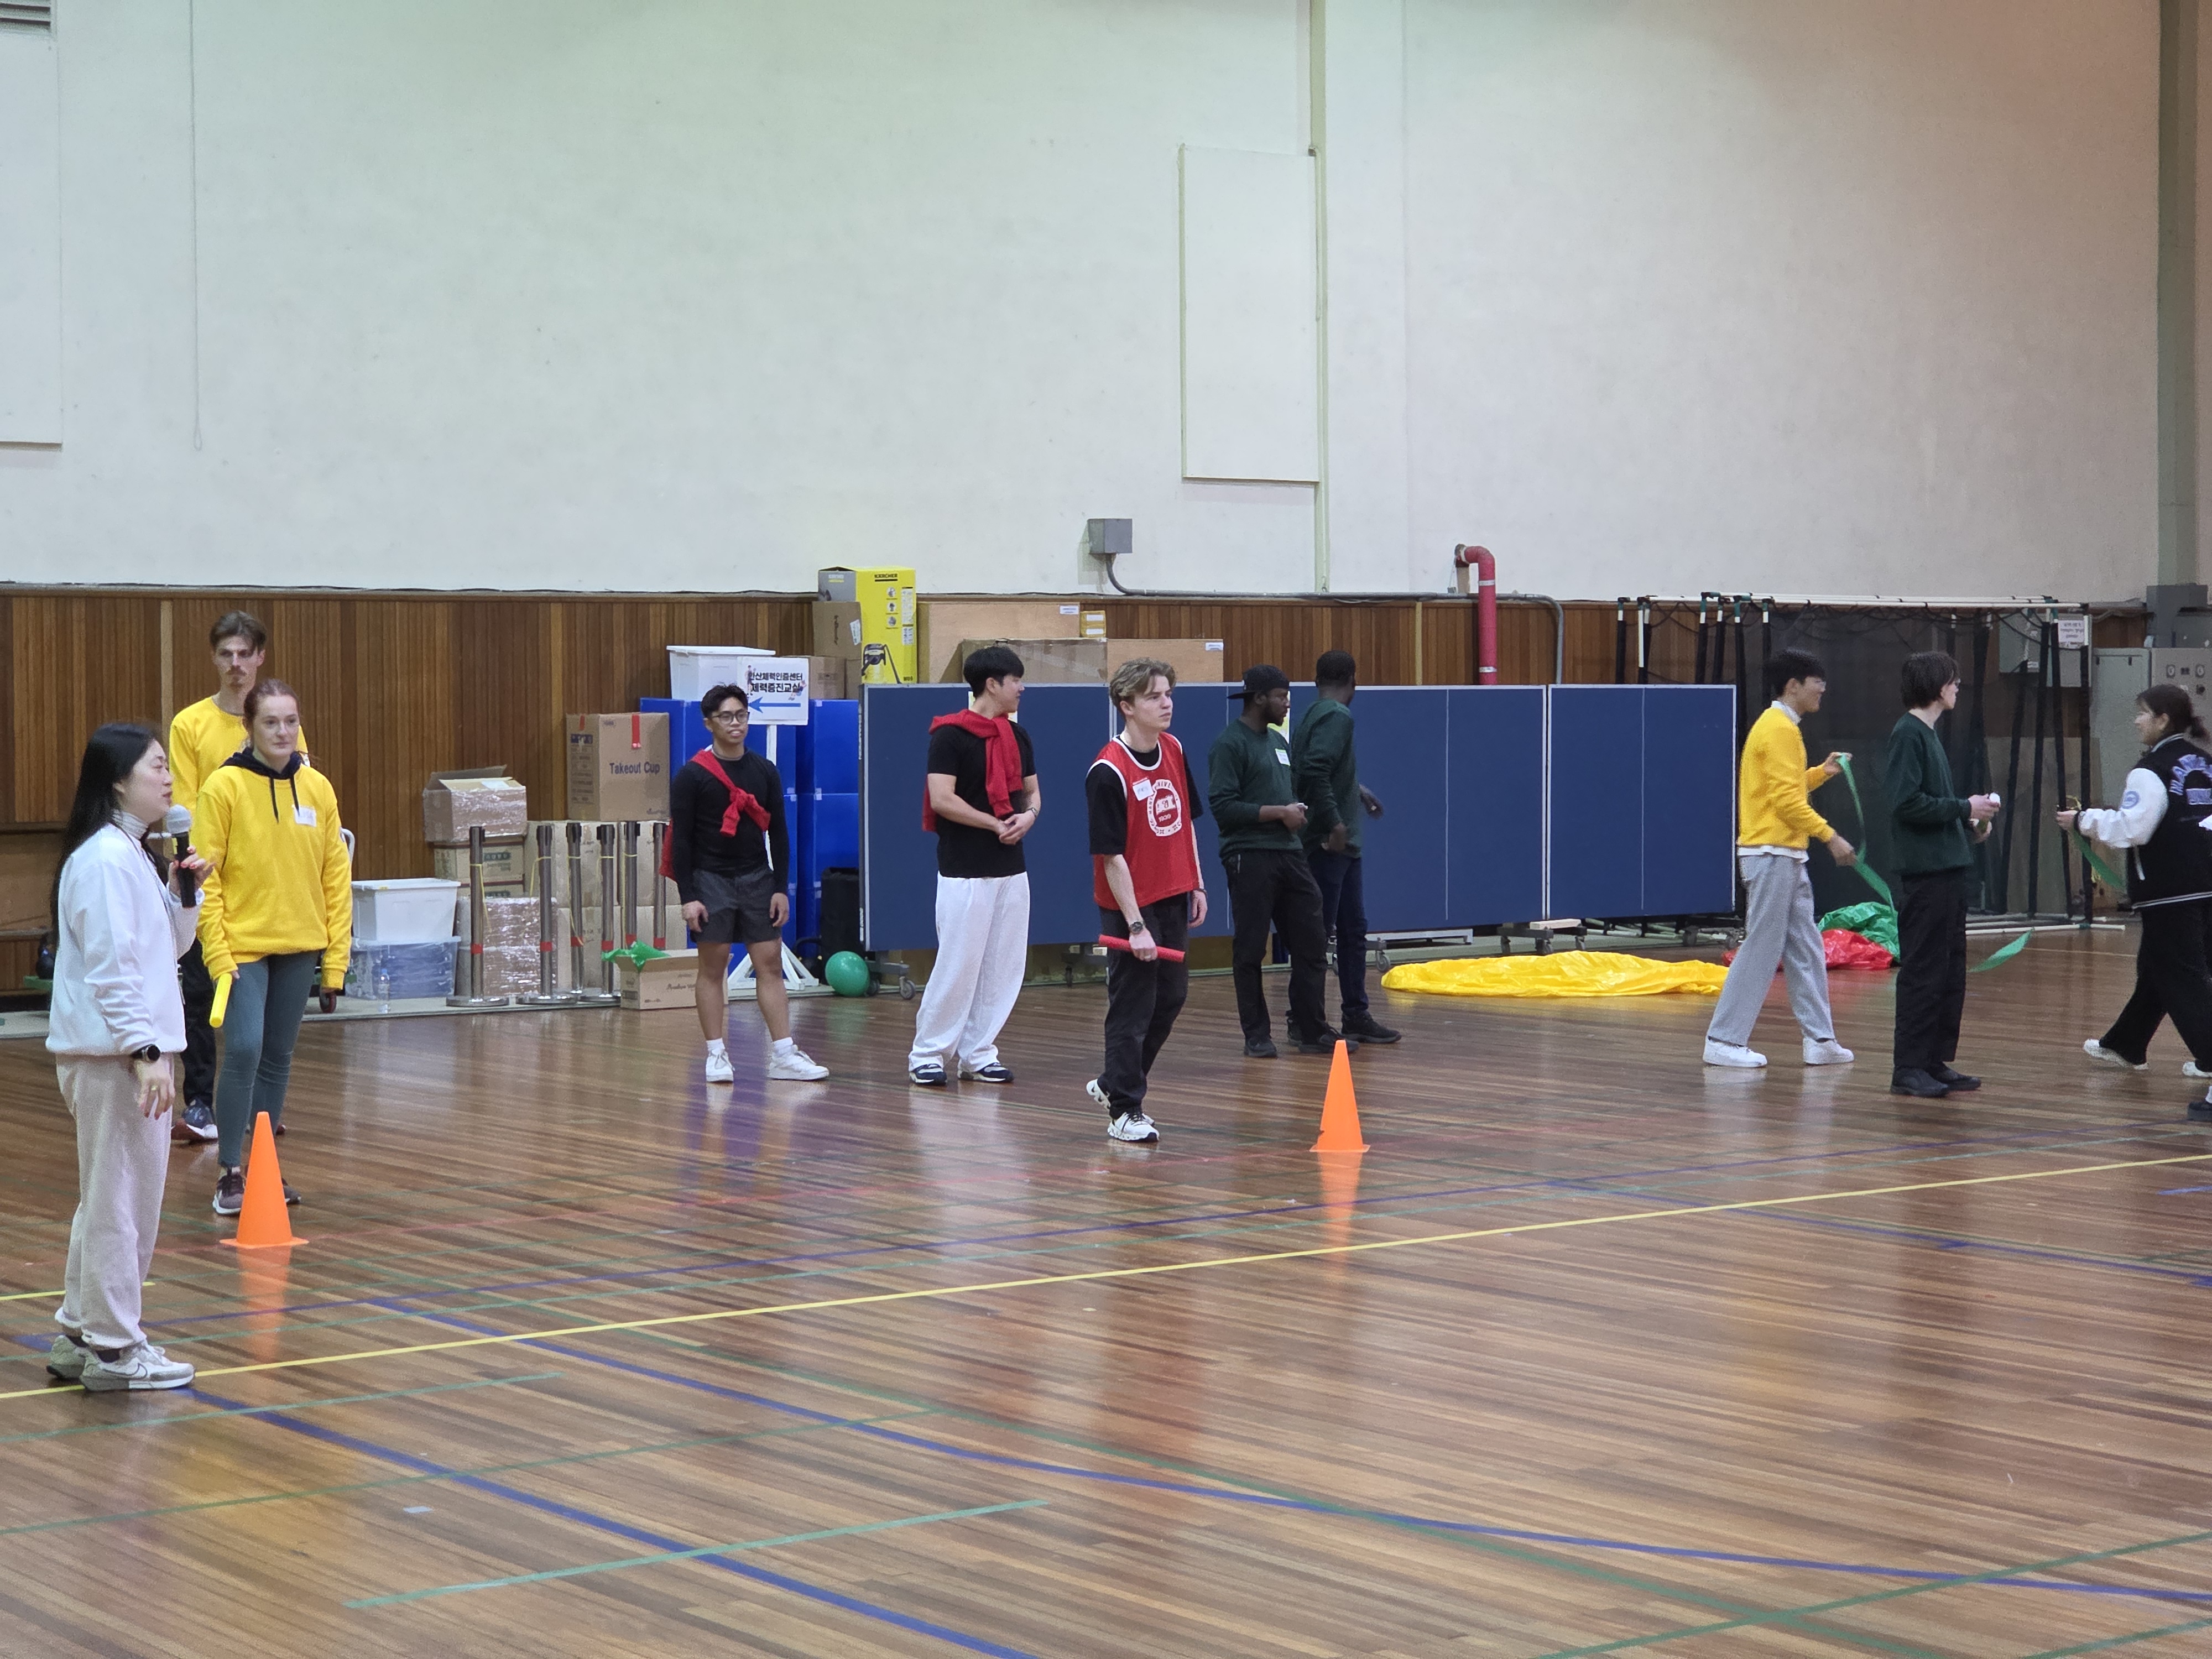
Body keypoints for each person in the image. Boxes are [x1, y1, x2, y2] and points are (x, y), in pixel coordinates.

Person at [45, 724, 205, 1391]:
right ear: (118, 780)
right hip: (115, 1057)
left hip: (115, 1053)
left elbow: (164, 951)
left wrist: (184, 895)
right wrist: (145, 1051)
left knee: (105, 1198)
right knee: (122, 1202)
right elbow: (112, 970)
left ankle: (81, 1332)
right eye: (156, 767)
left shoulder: (127, 853)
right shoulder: (107, 860)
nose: (168, 779)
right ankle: (115, 1349)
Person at [194, 679, 351, 1215]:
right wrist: (217, 953)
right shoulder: (224, 787)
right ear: (249, 727)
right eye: (270, 722)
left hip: (301, 945)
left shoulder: (319, 789)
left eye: (290, 721)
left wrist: (336, 963)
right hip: (242, 947)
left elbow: (336, 879)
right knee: (244, 1049)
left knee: (278, 1057)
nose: (283, 731)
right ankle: (230, 1173)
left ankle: (263, 1166)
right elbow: (206, 879)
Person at [168, 611, 310, 1148]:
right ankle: (201, 1100)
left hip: (267, 883)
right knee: (201, 991)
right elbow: (184, 804)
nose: (235, 664)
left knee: (266, 1029)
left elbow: (297, 791)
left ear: (259, 658)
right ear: (214, 658)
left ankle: (260, 1109)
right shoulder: (191, 725)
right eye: (225, 654)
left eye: (244, 654)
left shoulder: (283, 722)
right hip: (210, 874)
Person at [2060, 682, 2212, 1118]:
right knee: (2159, 970)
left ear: (2163, 720)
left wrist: (2084, 820)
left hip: (2169, 892)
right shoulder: (2205, 762)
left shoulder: (2150, 771)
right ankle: (2126, 1044)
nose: (2136, 721)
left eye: (2143, 713)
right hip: (2205, 886)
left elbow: (2133, 828)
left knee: (2182, 979)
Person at [1703, 650, 1858, 1070]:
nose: (1823, 689)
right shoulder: (1779, 729)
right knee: (1762, 946)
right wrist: (1830, 837)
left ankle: (1820, 1039)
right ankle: (1724, 1039)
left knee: (1806, 947)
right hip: (1771, 854)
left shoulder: (1780, 727)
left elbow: (1785, 787)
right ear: (1794, 685)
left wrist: (1822, 773)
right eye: (1817, 681)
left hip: (1785, 855)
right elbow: (1786, 802)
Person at [671, 684, 828, 1084]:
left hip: (758, 876)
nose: (736, 723)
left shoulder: (764, 770)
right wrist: (689, 898)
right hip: (710, 880)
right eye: (726, 717)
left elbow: (779, 833)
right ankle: (716, 1054)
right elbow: (681, 842)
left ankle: (784, 1054)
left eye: (741, 715)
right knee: (713, 967)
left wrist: (780, 887)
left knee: (770, 964)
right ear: (709, 723)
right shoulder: (691, 776)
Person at [1087, 658, 1208, 1144]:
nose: (1166, 704)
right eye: (1154, 697)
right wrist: (1135, 925)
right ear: (1127, 706)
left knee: (1172, 997)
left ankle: (1114, 1083)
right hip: (1130, 906)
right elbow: (1111, 857)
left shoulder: (1174, 749)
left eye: (1168, 694)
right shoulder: (1107, 771)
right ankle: (1125, 1110)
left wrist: (1197, 883)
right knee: (1132, 1007)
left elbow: (1186, 823)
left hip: (1174, 894)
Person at [908, 645, 1039, 1087]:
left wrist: (1028, 817)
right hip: (964, 868)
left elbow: (1032, 793)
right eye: (1016, 680)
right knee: (958, 964)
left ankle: (979, 1052)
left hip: (1011, 868)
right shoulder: (950, 736)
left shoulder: (1019, 736)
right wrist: (993, 823)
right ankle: (928, 1054)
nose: (1022, 688)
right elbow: (942, 799)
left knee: (1003, 965)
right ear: (992, 685)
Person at [1886, 651, 2002, 1098]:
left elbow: (1932, 806)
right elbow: (1906, 803)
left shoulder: (1927, 734)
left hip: (1948, 870)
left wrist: (1968, 823)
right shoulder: (1908, 734)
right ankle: (1909, 1066)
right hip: (1926, 876)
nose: (1957, 687)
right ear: (1937, 685)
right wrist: (1963, 807)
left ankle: (1933, 1061)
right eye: (1953, 681)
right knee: (1924, 971)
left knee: (1950, 971)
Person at [1208, 664, 1334, 1058]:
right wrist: (1279, 813)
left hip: (1290, 854)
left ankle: (1310, 1027)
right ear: (1259, 699)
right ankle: (1257, 1034)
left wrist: (1298, 812)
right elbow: (1224, 808)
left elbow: (1290, 792)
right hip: (1249, 855)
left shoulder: (1279, 742)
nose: (1287, 703)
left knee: (1312, 941)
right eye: (1281, 696)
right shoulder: (1230, 744)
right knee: (1250, 949)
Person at [1290, 651, 1398, 1046]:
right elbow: (1315, 771)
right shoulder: (1338, 716)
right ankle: (1305, 1021)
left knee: (1352, 929)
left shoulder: (1310, 714)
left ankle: (1355, 1014)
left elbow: (1323, 770)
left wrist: (1357, 790)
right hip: (1331, 843)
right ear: (1354, 680)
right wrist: (1335, 823)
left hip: (1343, 845)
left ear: (1317, 680)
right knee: (1319, 934)